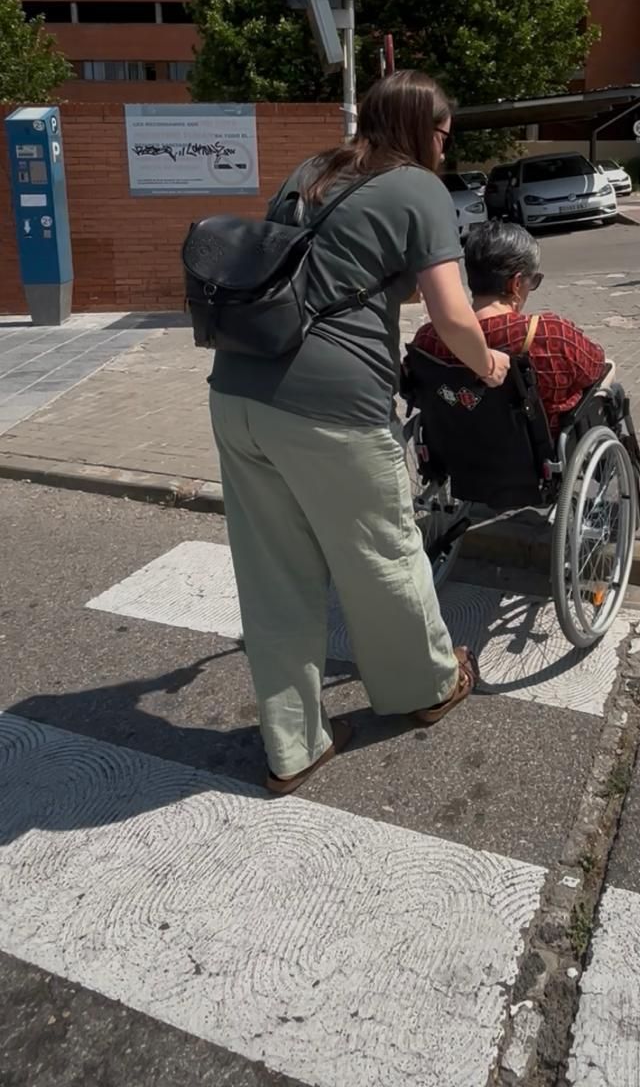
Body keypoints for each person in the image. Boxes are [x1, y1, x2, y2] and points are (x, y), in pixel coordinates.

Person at [208, 71, 510, 795]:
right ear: (419, 128)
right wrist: (490, 362)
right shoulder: (418, 191)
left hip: (238, 394)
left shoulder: (311, 171)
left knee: (274, 576)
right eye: (443, 131)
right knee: (382, 557)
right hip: (331, 410)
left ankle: (294, 746)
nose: (446, 144)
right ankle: (427, 686)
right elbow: (450, 315)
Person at [413, 222, 640, 471]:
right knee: (608, 371)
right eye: (534, 281)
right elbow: (595, 368)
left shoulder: (428, 339)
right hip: (535, 462)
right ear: (516, 284)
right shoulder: (550, 333)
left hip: (463, 457)